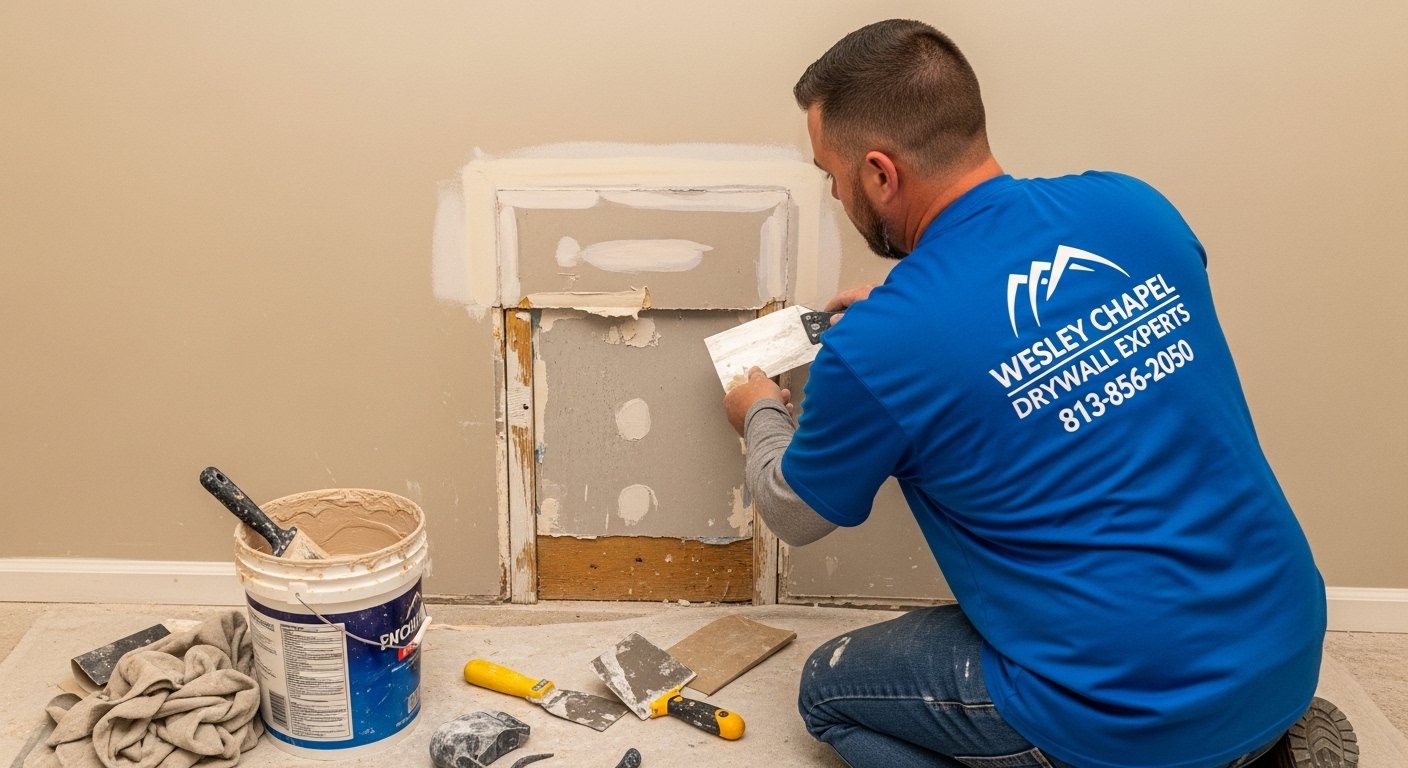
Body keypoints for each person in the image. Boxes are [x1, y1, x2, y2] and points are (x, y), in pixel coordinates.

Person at [722, 19, 1356, 768]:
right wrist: (905, 331)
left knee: (827, 695)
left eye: (831, 172)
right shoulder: (1135, 208)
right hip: (1285, 644)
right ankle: (1259, 746)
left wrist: (757, 407)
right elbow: (1033, 340)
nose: (831, 190)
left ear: (880, 174)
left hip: (1125, 707)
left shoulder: (881, 347)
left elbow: (794, 511)